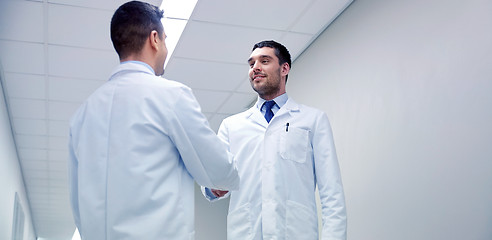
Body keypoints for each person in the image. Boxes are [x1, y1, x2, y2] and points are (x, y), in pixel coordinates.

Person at [68, 1, 239, 239]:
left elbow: (77, 201)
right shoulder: (171, 96)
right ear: (154, 38)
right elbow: (217, 169)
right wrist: (231, 175)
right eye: (166, 40)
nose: (165, 49)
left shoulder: (83, 115)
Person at [202, 40, 347, 239]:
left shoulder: (312, 120)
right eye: (251, 63)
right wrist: (213, 187)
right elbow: (213, 179)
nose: (256, 68)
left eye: (265, 61)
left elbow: (332, 193)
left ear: (284, 68)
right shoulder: (231, 126)